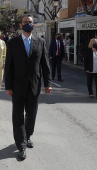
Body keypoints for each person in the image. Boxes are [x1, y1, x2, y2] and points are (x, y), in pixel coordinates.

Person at [5, 14, 52, 161]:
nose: (28, 24)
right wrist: (8, 85)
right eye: (25, 22)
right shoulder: (13, 43)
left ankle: (27, 135)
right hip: (17, 87)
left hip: (34, 86)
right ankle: (21, 146)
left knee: (31, 116)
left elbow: (45, 64)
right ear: (20, 25)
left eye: (30, 22)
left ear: (33, 25)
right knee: (18, 117)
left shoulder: (41, 41)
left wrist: (48, 83)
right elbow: (9, 66)